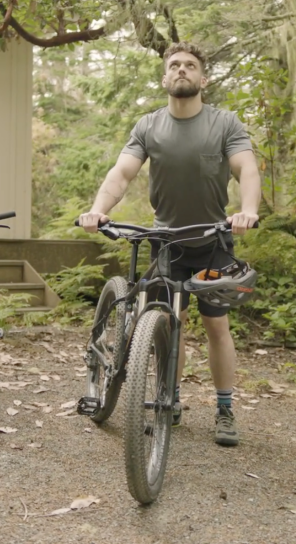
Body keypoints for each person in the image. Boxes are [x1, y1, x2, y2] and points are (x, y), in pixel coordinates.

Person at [78, 42, 261, 446]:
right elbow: (121, 174)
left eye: (190, 66)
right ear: (165, 77)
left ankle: (225, 408)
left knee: (216, 325)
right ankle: (169, 400)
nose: (181, 70)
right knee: (166, 324)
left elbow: (246, 166)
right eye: (174, 65)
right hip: (166, 243)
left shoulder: (225, 123)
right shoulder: (148, 126)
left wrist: (247, 209)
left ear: (203, 78)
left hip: (213, 240)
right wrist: (97, 209)